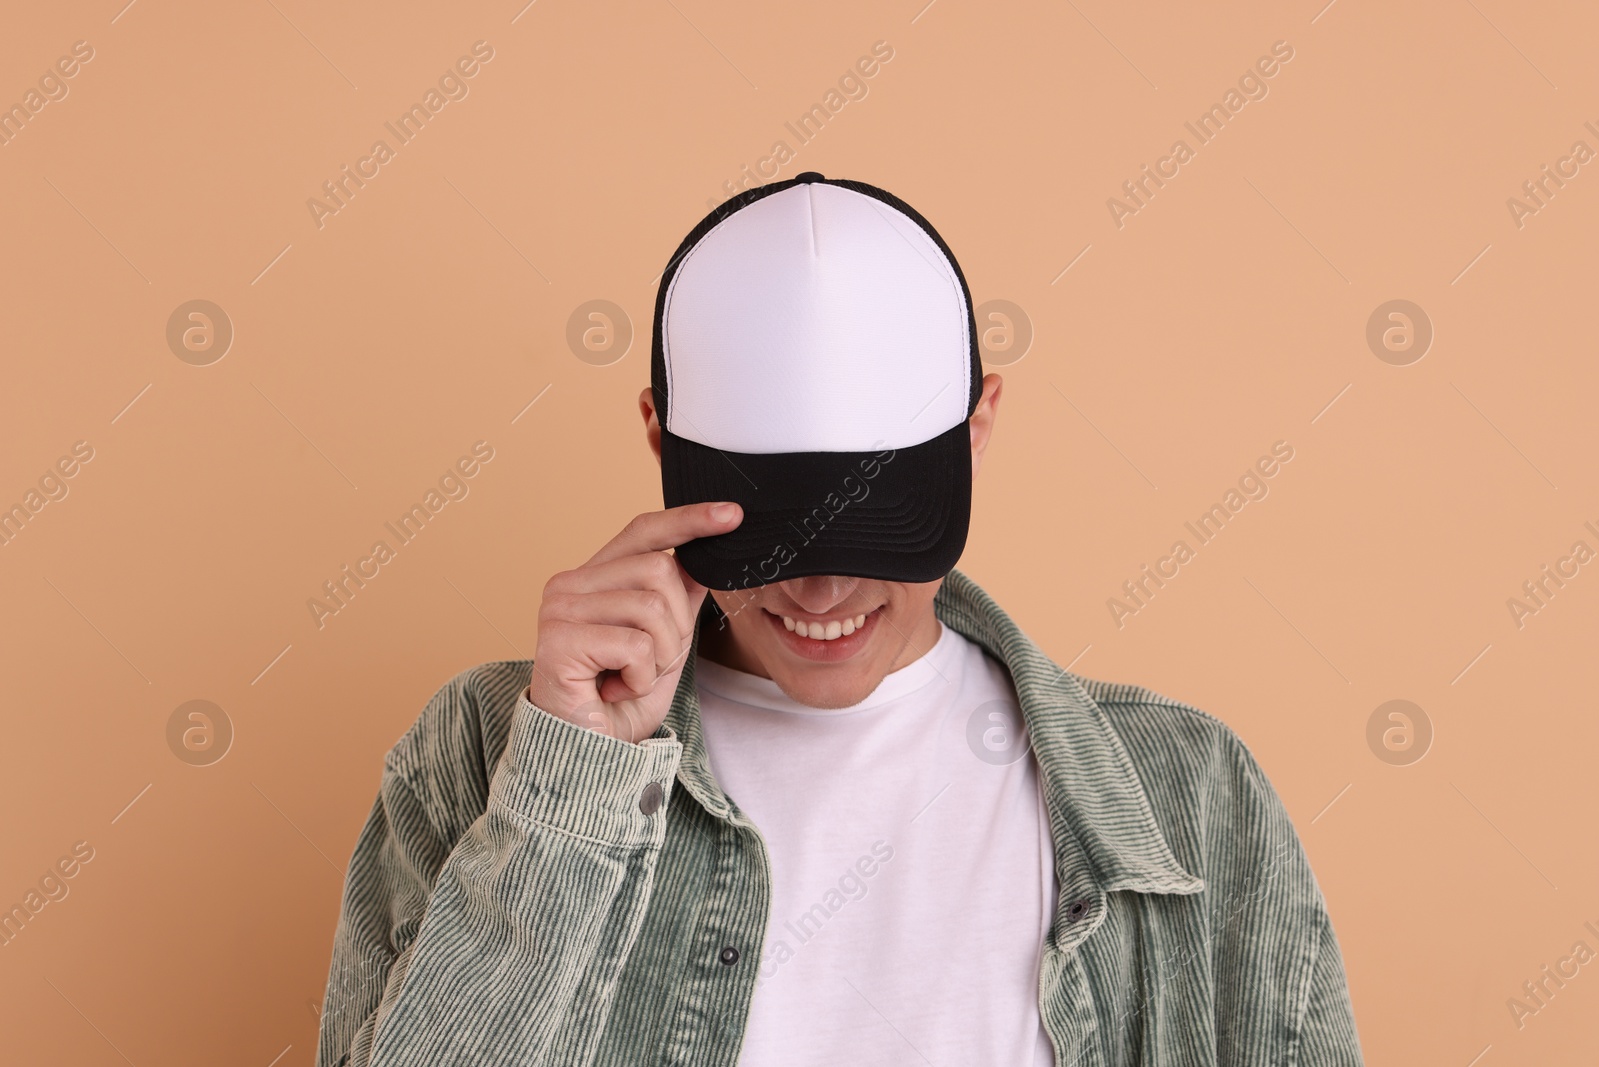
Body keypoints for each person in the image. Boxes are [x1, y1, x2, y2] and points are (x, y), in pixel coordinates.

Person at [316, 173, 1363, 1066]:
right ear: (656, 431)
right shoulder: (485, 748)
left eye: (875, 524)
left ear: (977, 428)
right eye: (769, 531)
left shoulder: (1189, 794)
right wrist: (565, 790)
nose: (818, 593)